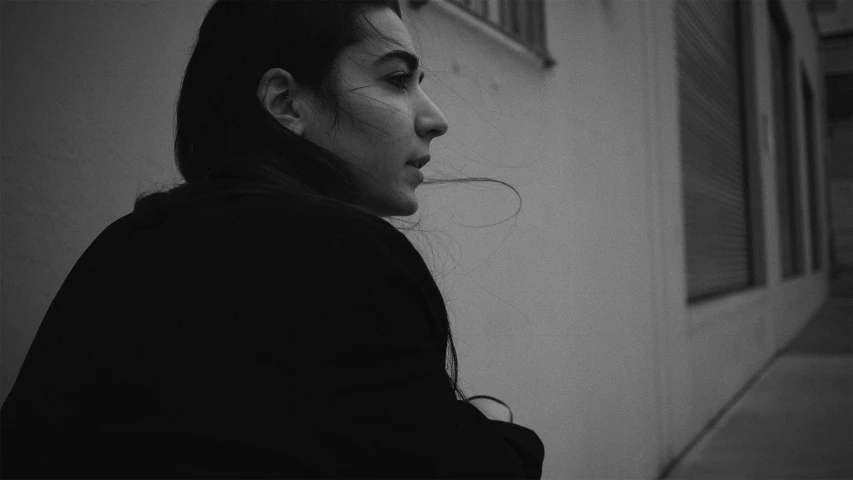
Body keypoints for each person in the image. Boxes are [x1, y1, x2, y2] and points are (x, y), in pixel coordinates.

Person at [0, 0, 545, 477]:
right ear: (286, 103)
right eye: (397, 79)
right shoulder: (347, 255)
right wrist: (494, 425)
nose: (436, 119)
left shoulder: (119, 247)